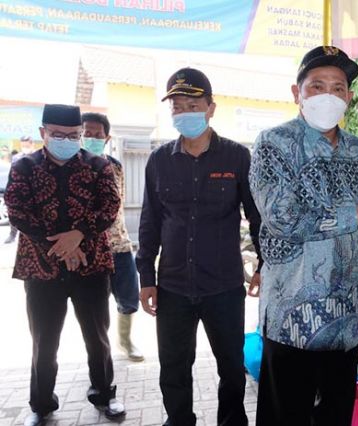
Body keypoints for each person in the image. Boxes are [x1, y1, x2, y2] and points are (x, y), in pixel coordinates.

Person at [249, 45, 358, 426]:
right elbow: (282, 217)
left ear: (350, 97)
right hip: (292, 318)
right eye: (317, 85)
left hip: (346, 318)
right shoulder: (274, 144)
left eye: (338, 87)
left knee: (336, 415)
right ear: (297, 93)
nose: (328, 95)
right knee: (285, 416)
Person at [136, 67, 263, 426]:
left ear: (211, 107)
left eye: (192, 103)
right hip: (173, 285)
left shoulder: (237, 157)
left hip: (223, 285)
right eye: (177, 105)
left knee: (231, 368)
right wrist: (145, 276)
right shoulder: (159, 160)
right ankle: (178, 421)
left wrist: (263, 264)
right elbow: (150, 222)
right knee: (174, 369)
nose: (184, 111)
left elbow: (256, 216)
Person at [4, 104, 126, 426]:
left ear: (81, 135)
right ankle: (41, 405)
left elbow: (110, 206)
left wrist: (79, 235)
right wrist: (62, 245)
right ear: (44, 133)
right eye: (58, 135)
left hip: (91, 266)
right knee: (44, 342)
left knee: (98, 338)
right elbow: (18, 211)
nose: (66, 140)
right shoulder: (24, 167)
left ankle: (104, 393)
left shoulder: (98, 166)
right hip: (41, 269)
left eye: (73, 135)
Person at [81, 112, 144, 362]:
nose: (93, 138)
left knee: (129, 296)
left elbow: (117, 205)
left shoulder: (115, 165)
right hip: (89, 249)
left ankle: (125, 341)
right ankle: (98, 350)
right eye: (88, 133)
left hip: (119, 244)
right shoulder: (75, 166)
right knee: (94, 305)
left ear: (106, 138)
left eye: (98, 134)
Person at [4, 136, 35, 244]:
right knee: (16, 213)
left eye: (27, 145)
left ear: (32, 144)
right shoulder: (17, 157)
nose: (25, 147)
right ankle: (12, 235)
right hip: (18, 189)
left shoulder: (36, 157)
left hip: (33, 191)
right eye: (23, 145)